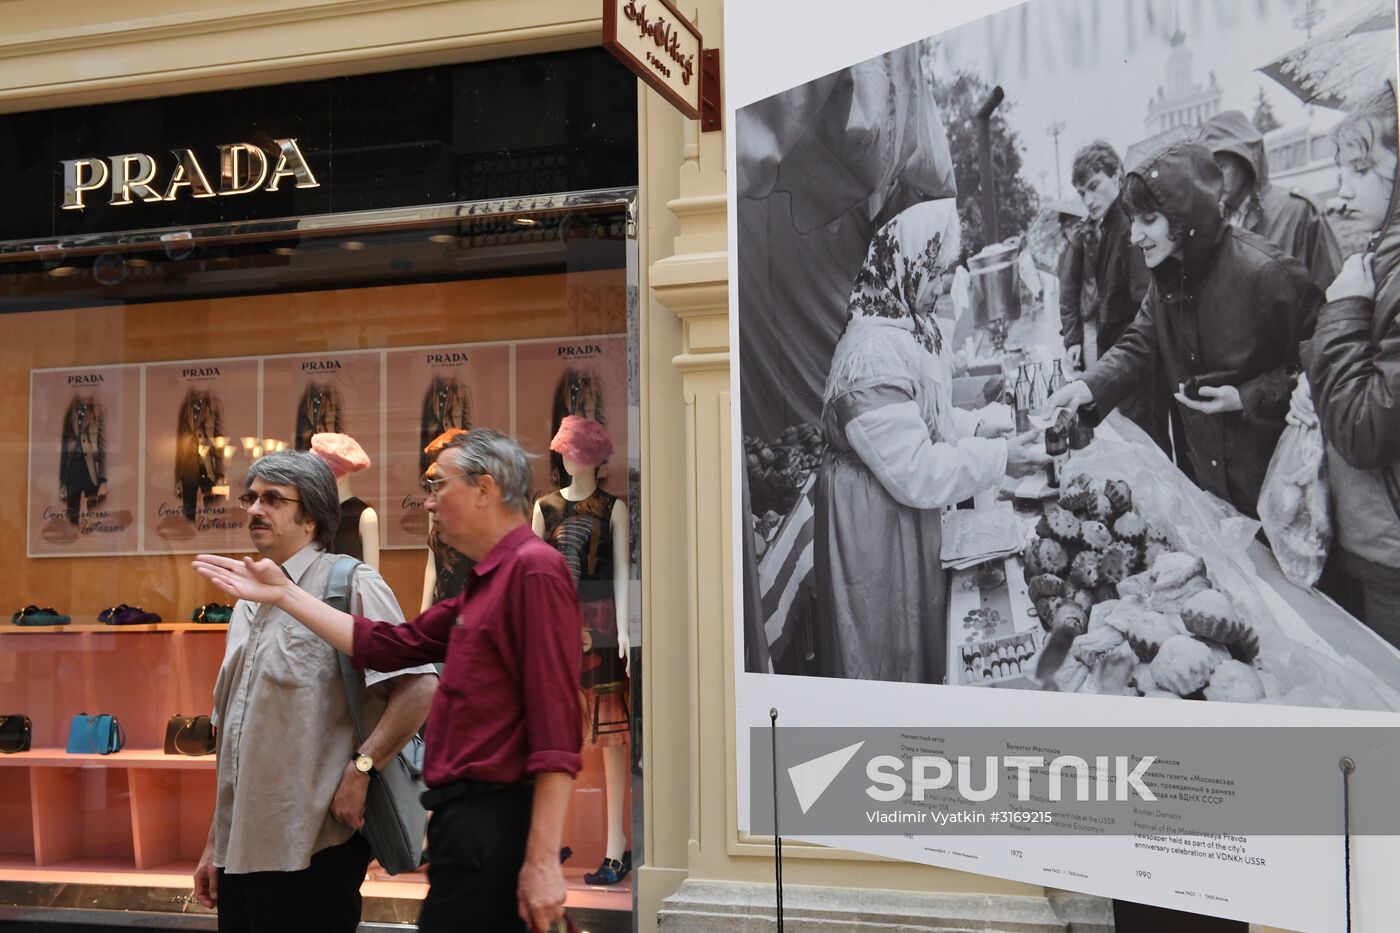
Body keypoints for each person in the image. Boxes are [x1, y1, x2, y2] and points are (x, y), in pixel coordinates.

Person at [193, 429, 582, 933]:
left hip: (495, 818)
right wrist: (283, 596)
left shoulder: (534, 571)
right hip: (459, 826)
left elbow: (556, 730)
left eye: (438, 484)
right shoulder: (489, 579)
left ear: (484, 489)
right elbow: (389, 644)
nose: (428, 500)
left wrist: (544, 860)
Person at [192, 450, 437, 933]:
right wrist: (214, 841)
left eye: (273, 500)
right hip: (240, 847)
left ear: (311, 517)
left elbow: (418, 687)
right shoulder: (247, 599)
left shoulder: (350, 584)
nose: (255, 510)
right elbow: (238, 733)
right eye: (251, 498)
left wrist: (362, 769)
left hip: (315, 844)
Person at [813, 199, 1049, 684]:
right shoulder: (872, 351)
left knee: (915, 631)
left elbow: (926, 421)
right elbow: (916, 469)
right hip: (874, 526)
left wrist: (981, 427)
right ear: (907, 264)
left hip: (895, 510)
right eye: (936, 273)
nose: (943, 287)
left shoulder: (904, 328)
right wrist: (1001, 457)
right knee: (886, 645)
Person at [1046, 142, 1322, 518]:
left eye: (1148, 221)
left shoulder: (1267, 273)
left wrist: (1246, 395)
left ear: (1184, 215)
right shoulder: (1166, 278)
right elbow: (1139, 344)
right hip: (1207, 488)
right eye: (1134, 222)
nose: (1135, 236)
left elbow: (1319, 364)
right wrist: (1086, 386)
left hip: (1275, 485)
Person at [1288, 83, 1400, 646]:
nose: (1339, 195)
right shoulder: (1381, 256)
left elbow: (1365, 428)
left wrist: (1345, 309)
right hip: (1373, 538)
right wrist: (1317, 381)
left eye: (1359, 171)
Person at [1067, 142, 1172, 454]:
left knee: (1148, 456)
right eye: (1081, 192)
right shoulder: (1112, 225)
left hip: (1138, 370)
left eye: (1094, 187)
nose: (1087, 200)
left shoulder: (1128, 226)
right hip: (1128, 365)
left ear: (1116, 176)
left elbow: (1144, 305)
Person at [1200, 109, 1342, 290]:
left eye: (1221, 167)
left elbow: (1334, 294)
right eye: (1208, 170)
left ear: (1245, 161)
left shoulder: (1297, 212)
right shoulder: (1212, 225)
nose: (1215, 180)